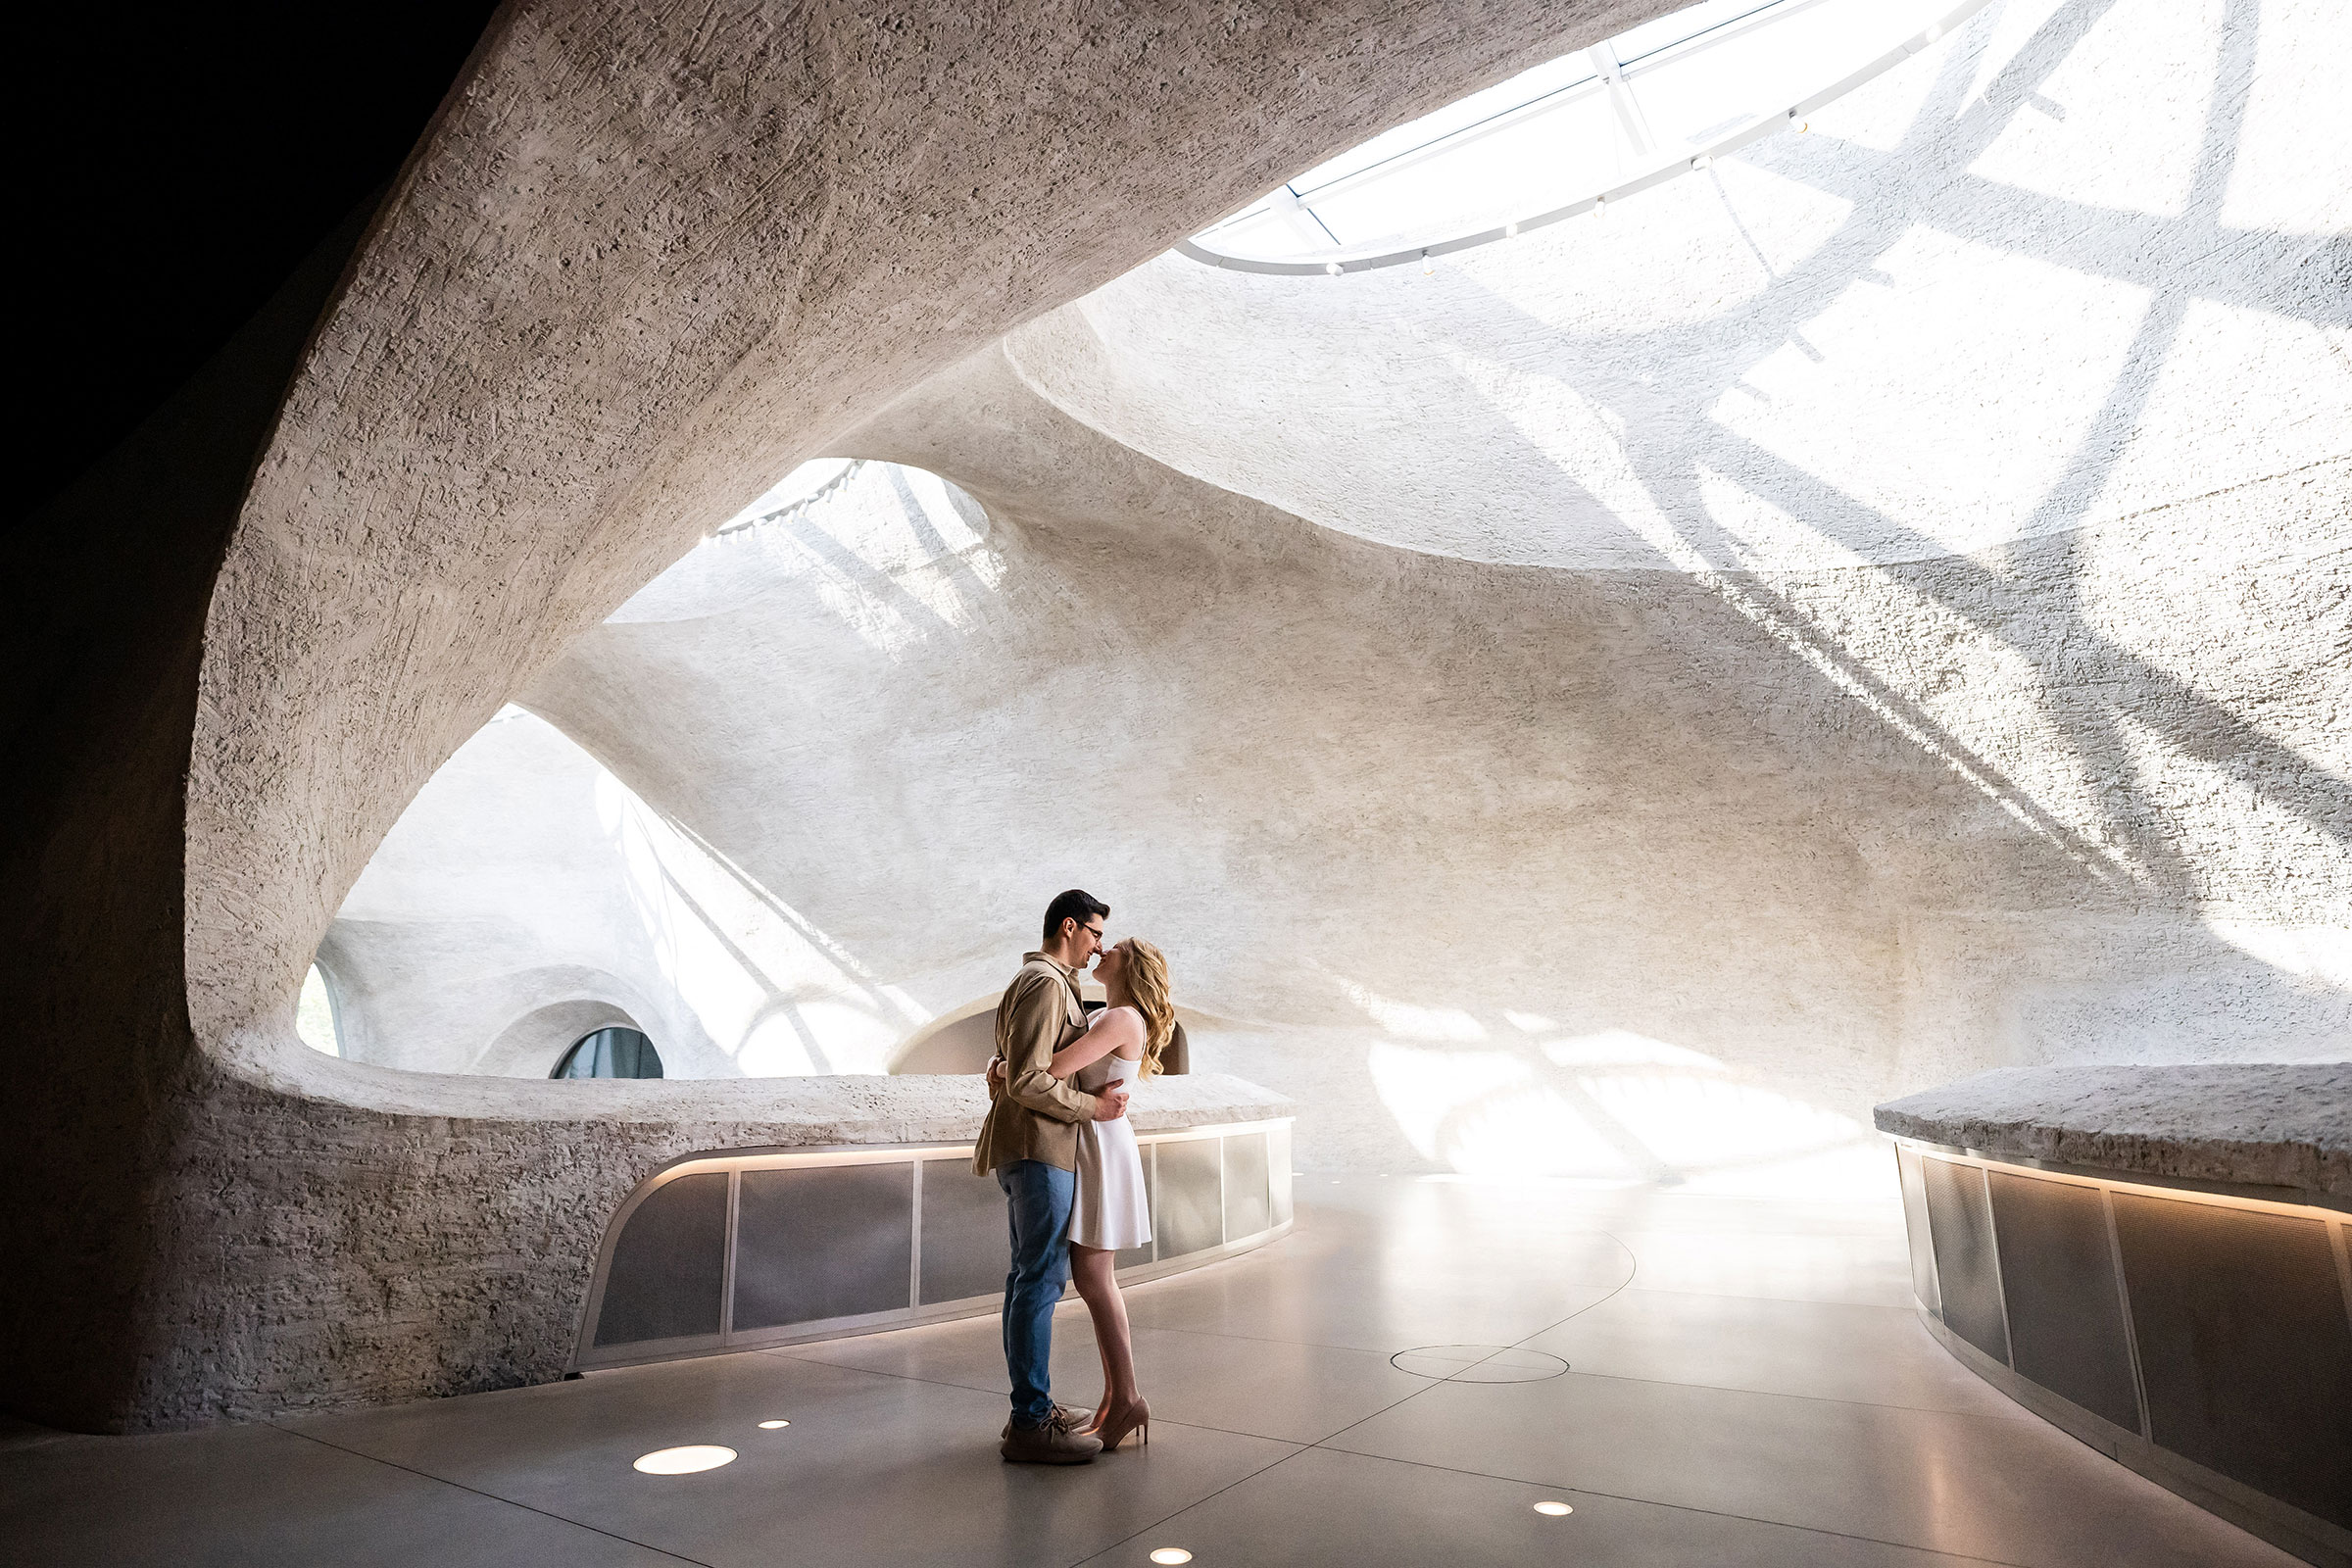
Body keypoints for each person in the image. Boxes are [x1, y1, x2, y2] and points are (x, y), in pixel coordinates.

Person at [973, 890, 1129, 1464]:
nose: (1098, 946)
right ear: (1070, 926)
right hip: (1040, 1149)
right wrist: (1096, 1110)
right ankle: (1031, 1422)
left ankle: (1032, 1409)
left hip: (1034, 1147)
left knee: (1030, 1279)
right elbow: (1029, 1080)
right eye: (1093, 934)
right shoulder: (1044, 982)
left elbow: (1010, 1069)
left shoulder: (1044, 983)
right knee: (1039, 1281)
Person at [1043, 936, 1175, 1451]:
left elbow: (1054, 1070)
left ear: (1132, 965)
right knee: (1094, 1277)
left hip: (1100, 1143)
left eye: (1112, 947)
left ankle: (1128, 1397)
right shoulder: (1113, 1014)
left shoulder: (1121, 1019)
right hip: (1095, 1139)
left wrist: (1005, 1069)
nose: (1101, 952)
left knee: (1095, 1276)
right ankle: (1116, 1397)